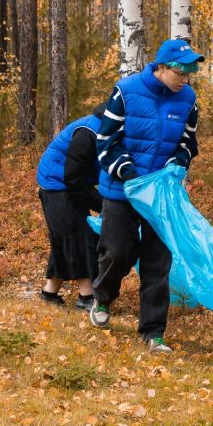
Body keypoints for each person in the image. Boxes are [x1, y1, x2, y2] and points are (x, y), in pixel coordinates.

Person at [90, 39, 202, 354]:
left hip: (160, 195)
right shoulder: (126, 91)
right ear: (161, 67)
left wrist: (178, 162)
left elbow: (187, 142)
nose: (185, 79)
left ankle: (153, 333)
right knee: (119, 252)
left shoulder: (188, 99)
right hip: (122, 189)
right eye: (180, 72)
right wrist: (125, 171)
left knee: (158, 262)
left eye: (189, 73)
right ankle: (102, 297)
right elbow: (106, 139)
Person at [35, 105, 105, 309]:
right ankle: (86, 297)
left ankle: (50, 293)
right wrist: (102, 204)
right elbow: (73, 177)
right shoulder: (89, 132)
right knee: (78, 237)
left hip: (69, 183)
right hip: (56, 184)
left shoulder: (113, 129)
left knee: (64, 238)